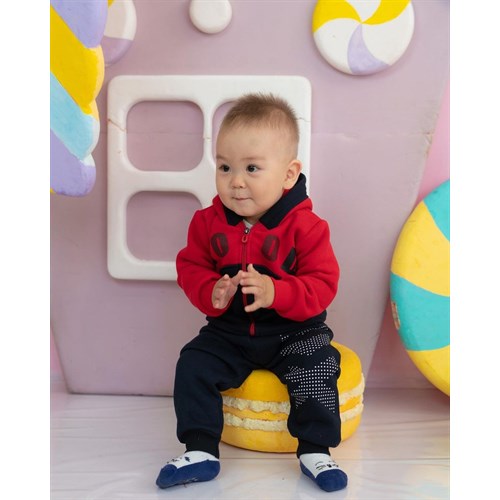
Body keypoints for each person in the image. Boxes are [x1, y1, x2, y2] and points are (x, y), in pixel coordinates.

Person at [156, 93, 347, 492]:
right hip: (230, 332)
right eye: (224, 167)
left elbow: (323, 284)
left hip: (295, 331)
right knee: (193, 362)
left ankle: (315, 450)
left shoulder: (308, 228)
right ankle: (201, 448)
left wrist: (277, 292)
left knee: (319, 365)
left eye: (252, 168)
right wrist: (212, 290)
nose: (236, 181)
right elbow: (190, 267)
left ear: (288, 175)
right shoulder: (207, 222)